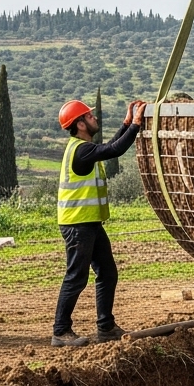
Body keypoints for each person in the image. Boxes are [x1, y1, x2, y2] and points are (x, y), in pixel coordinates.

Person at [51, 97, 146, 347]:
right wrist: (136, 124)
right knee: (76, 276)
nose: (95, 118)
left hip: (90, 223)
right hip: (78, 225)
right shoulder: (81, 151)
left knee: (107, 272)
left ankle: (106, 327)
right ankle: (60, 331)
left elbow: (109, 146)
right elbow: (114, 150)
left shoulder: (83, 148)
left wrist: (126, 124)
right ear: (80, 124)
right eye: (90, 116)